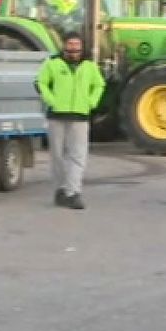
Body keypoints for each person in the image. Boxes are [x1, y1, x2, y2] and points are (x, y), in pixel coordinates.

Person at [35, 33, 105, 211]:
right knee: (57, 156)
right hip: (57, 116)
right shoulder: (52, 64)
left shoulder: (89, 66)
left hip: (80, 116)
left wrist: (91, 102)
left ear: (82, 47)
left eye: (77, 45)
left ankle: (73, 192)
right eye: (70, 44)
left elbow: (99, 85)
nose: (74, 48)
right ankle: (60, 189)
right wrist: (52, 101)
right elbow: (40, 83)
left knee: (77, 156)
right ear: (64, 46)